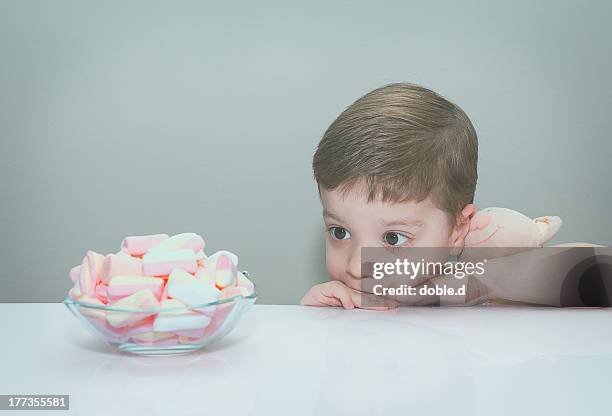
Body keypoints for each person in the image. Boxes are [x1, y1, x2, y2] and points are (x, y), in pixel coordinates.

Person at [300, 83, 608, 309]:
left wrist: (475, 285)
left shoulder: (479, 286)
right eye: (340, 232)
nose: (358, 266)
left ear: (458, 230)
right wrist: (317, 323)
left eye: (393, 238)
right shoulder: (339, 302)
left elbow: (601, 271)